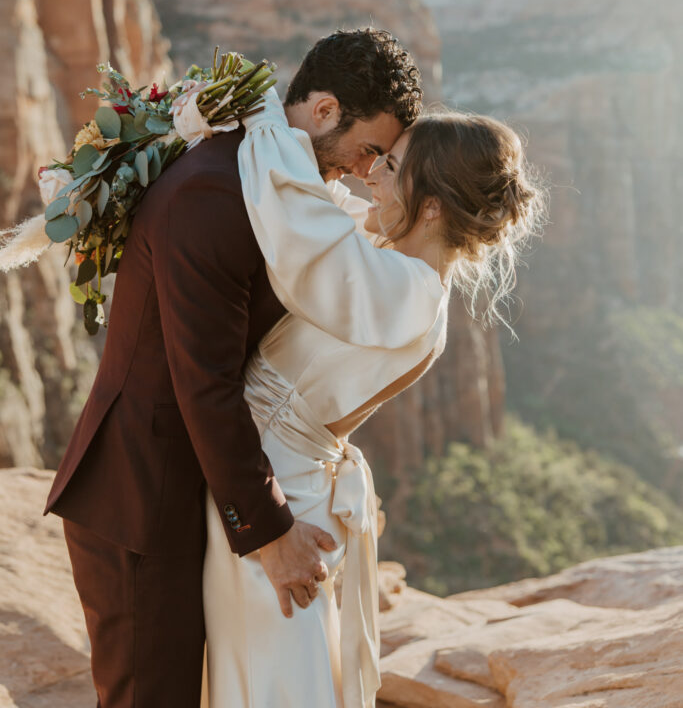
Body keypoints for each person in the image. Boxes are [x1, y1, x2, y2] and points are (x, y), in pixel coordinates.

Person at [45, 29, 450, 708]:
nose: (364, 169)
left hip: (187, 488)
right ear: (322, 111)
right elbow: (202, 380)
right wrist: (270, 532)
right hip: (144, 495)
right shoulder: (215, 191)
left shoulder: (265, 179)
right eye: (370, 149)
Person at [202, 103, 543, 708]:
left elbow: (296, 224)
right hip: (279, 481)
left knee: (274, 682)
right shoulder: (392, 267)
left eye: (392, 166)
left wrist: (264, 121)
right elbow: (325, 210)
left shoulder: (403, 289)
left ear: (433, 205)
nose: (371, 177)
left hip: (278, 499)